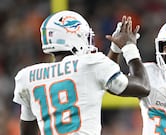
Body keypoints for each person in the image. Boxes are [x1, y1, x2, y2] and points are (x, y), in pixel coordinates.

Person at [12, 10, 150, 135]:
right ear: (74, 36)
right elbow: (143, 87)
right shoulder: (91, 64)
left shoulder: (27, 76)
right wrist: (130, 47)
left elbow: (27, 131)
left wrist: (115, 49)